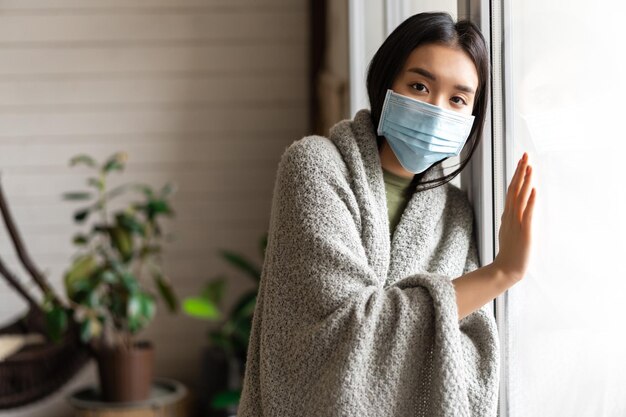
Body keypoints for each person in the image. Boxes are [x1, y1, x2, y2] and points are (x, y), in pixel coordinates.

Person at [237, 11, 535, 417]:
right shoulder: (313, 167)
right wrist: (502, 273)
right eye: (419, 86)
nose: (436, 109)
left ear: (471, 119)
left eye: (458, 99)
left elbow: (472, 350)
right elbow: (346, 330)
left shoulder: (455, 215)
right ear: (385, 87)